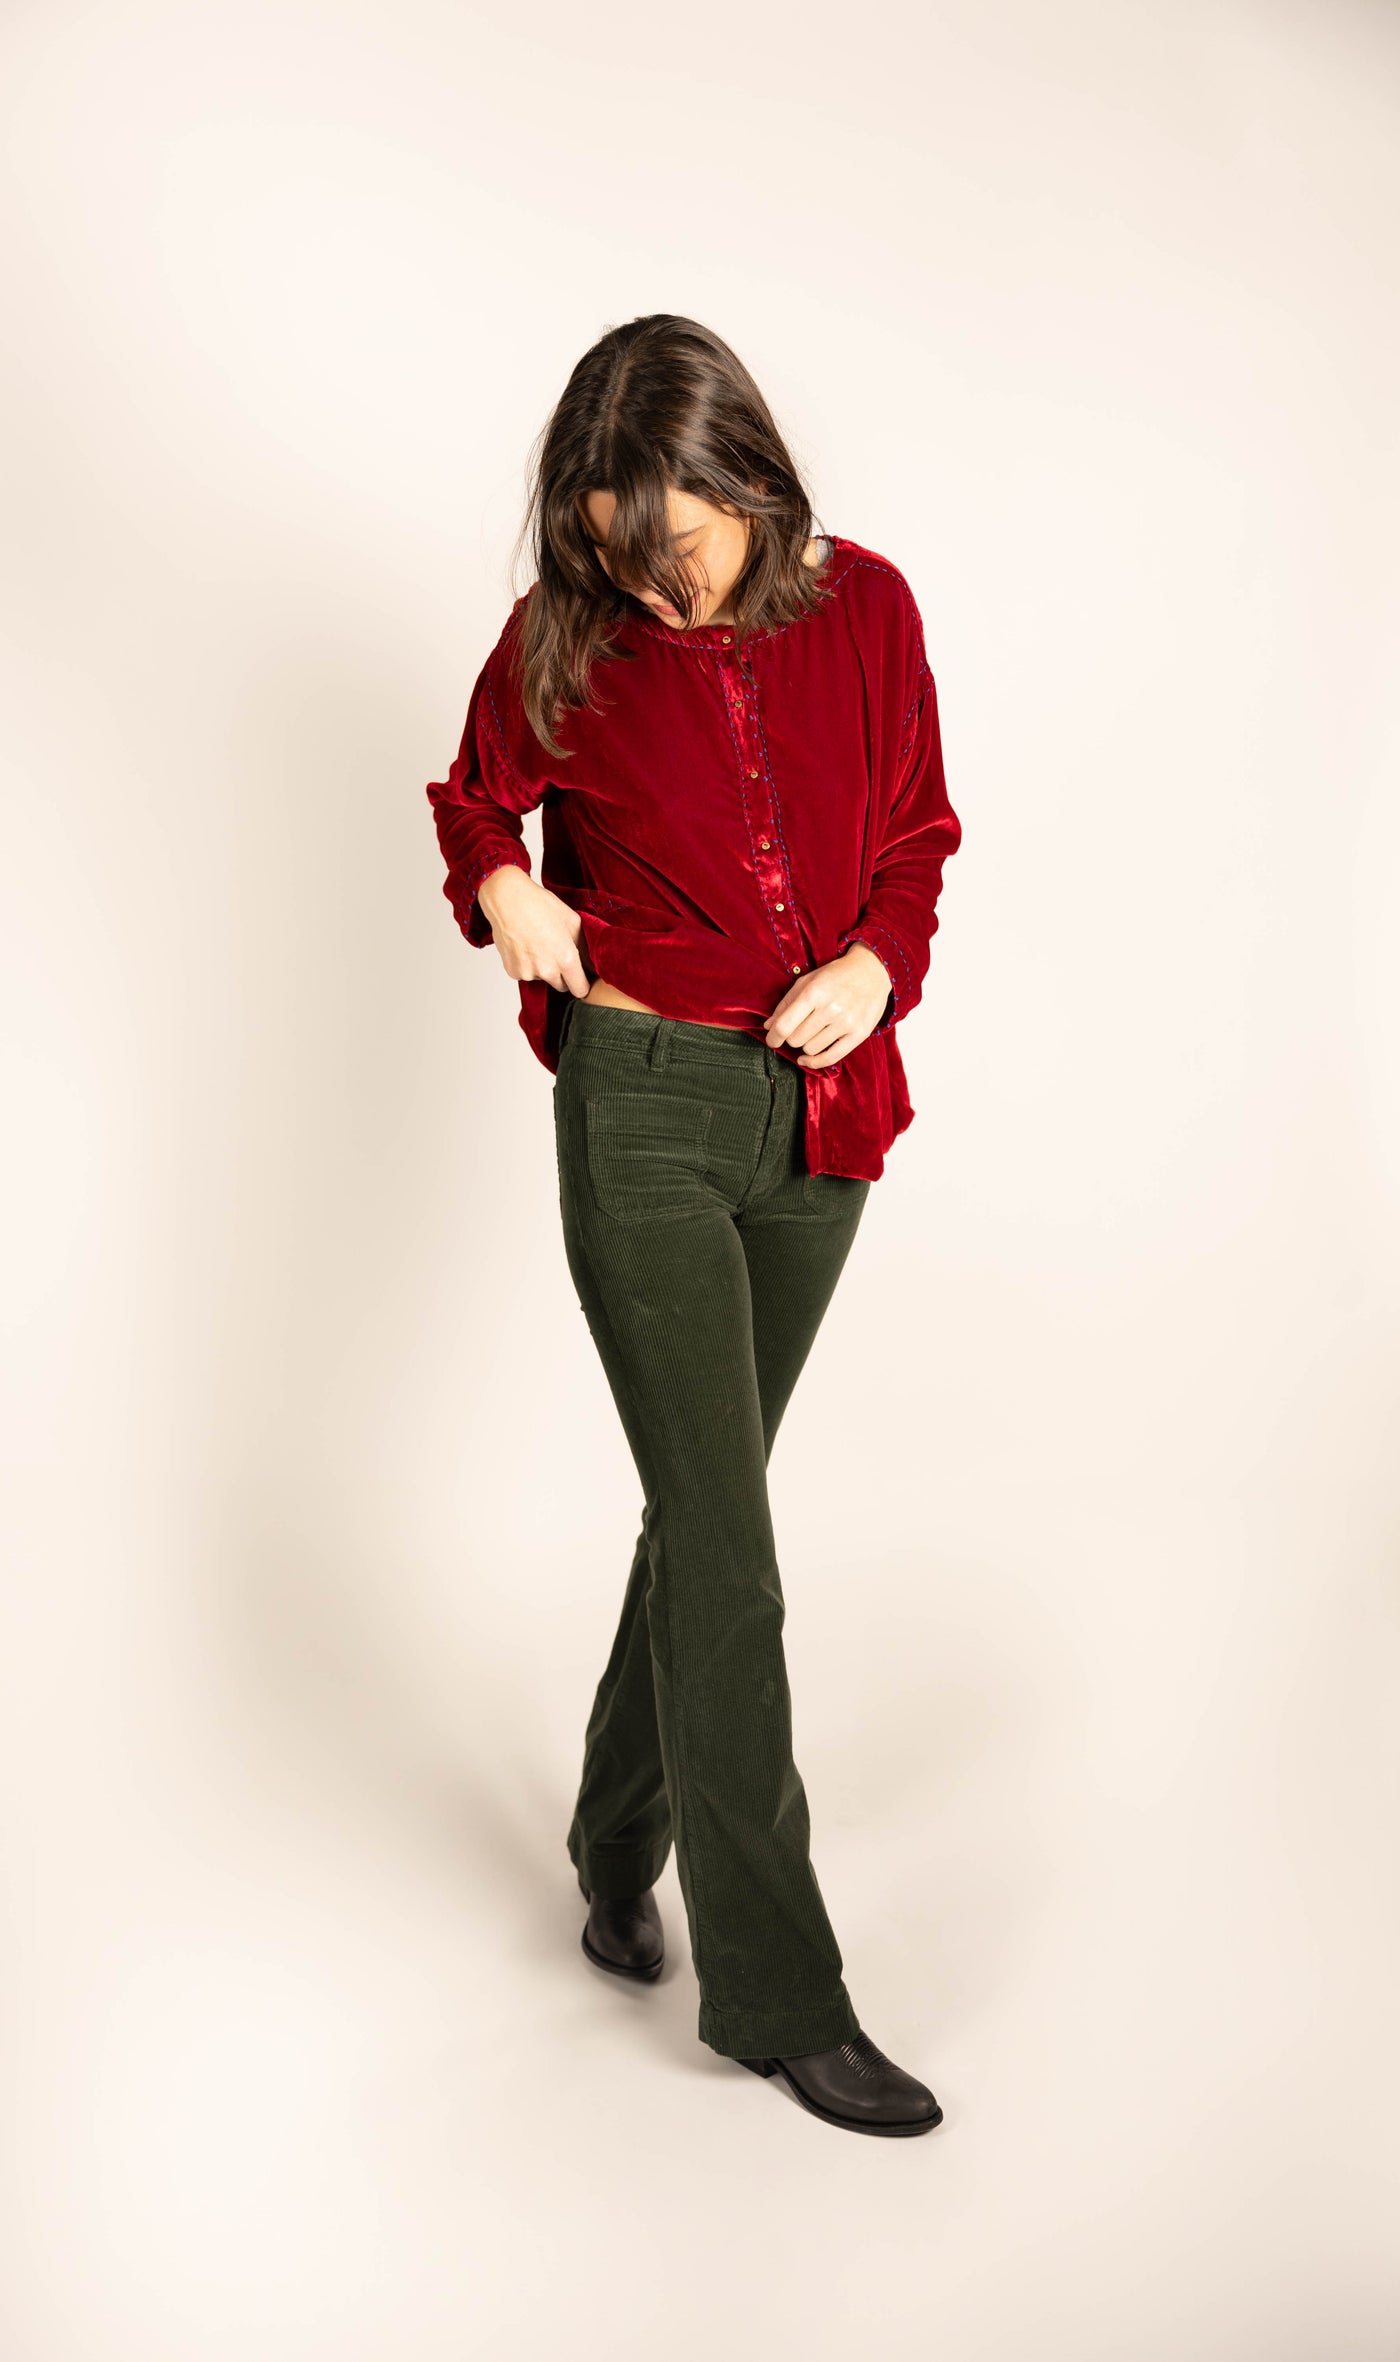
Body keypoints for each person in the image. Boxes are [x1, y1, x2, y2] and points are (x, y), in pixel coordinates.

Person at [425, 314, 962, 2137]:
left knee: (697, 1505)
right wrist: (503, 885)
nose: (650, 583)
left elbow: (918, 834)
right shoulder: (564, 641)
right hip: (643, 1105)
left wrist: (878, 965)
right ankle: (780, 1994)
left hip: (821, 1117)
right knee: (734, 1547)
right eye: (608, 547)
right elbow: (474, 798)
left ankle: (609, 1831)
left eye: (678, 542)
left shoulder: (870, 609)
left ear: (750, 482)